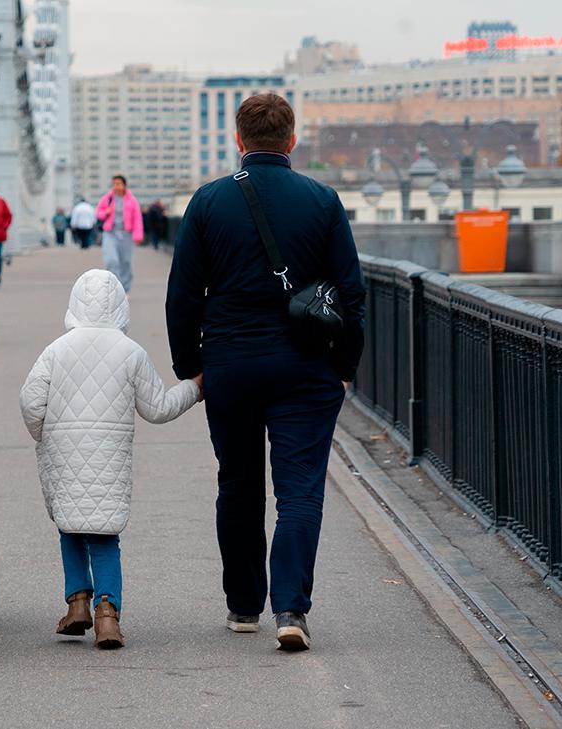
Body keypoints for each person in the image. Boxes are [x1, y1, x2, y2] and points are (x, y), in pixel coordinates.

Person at [165, 93, 366, 651]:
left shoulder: (207, 203)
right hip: (306, 367)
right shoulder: (323, 201)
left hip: (230, 364)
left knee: (239, 483)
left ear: (238, 140)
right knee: (300, 491)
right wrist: (343, 367)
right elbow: (352, 295)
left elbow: (181, 297)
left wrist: (193, 369)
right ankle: (291, 610)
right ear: (291, 140)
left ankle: (243, 607)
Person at [20, 269, 202, 650]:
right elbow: (158, 408)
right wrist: (194, 389)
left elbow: (30, 401)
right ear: (121, 307)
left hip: (63, 451)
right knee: (104, 534)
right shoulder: (130, 352)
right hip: (110, 455)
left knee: (70, 527)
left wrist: (43, 435)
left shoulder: (56, 350)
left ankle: (77, 604)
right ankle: (107, 615)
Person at [95, 175, 144, 293]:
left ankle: (125, 289)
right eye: (114, 184)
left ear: (124, 185)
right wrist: (105, 212)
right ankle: (113, 289)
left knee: (126, 262)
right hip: (110, 233)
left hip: (126, 234)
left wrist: (138, 235)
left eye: (118, 184)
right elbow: (98, 213)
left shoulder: (132, 200)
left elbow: (137, 218)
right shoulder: (107, 199)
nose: (116, 186)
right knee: (112, 260)